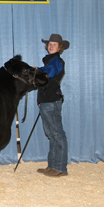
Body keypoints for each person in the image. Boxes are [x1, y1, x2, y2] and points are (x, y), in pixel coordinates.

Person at [36, 34, 69, 177]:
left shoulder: (55, 61)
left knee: (57, 134)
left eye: (55, 44)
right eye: (50, 43)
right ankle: (52, 166)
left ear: (59, 47)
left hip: (52, 102)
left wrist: (35, 70)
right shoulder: (49, 61)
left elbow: (49, 73)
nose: (51, 45)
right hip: (46, 101)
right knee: (51, 134)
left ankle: (60, 168)